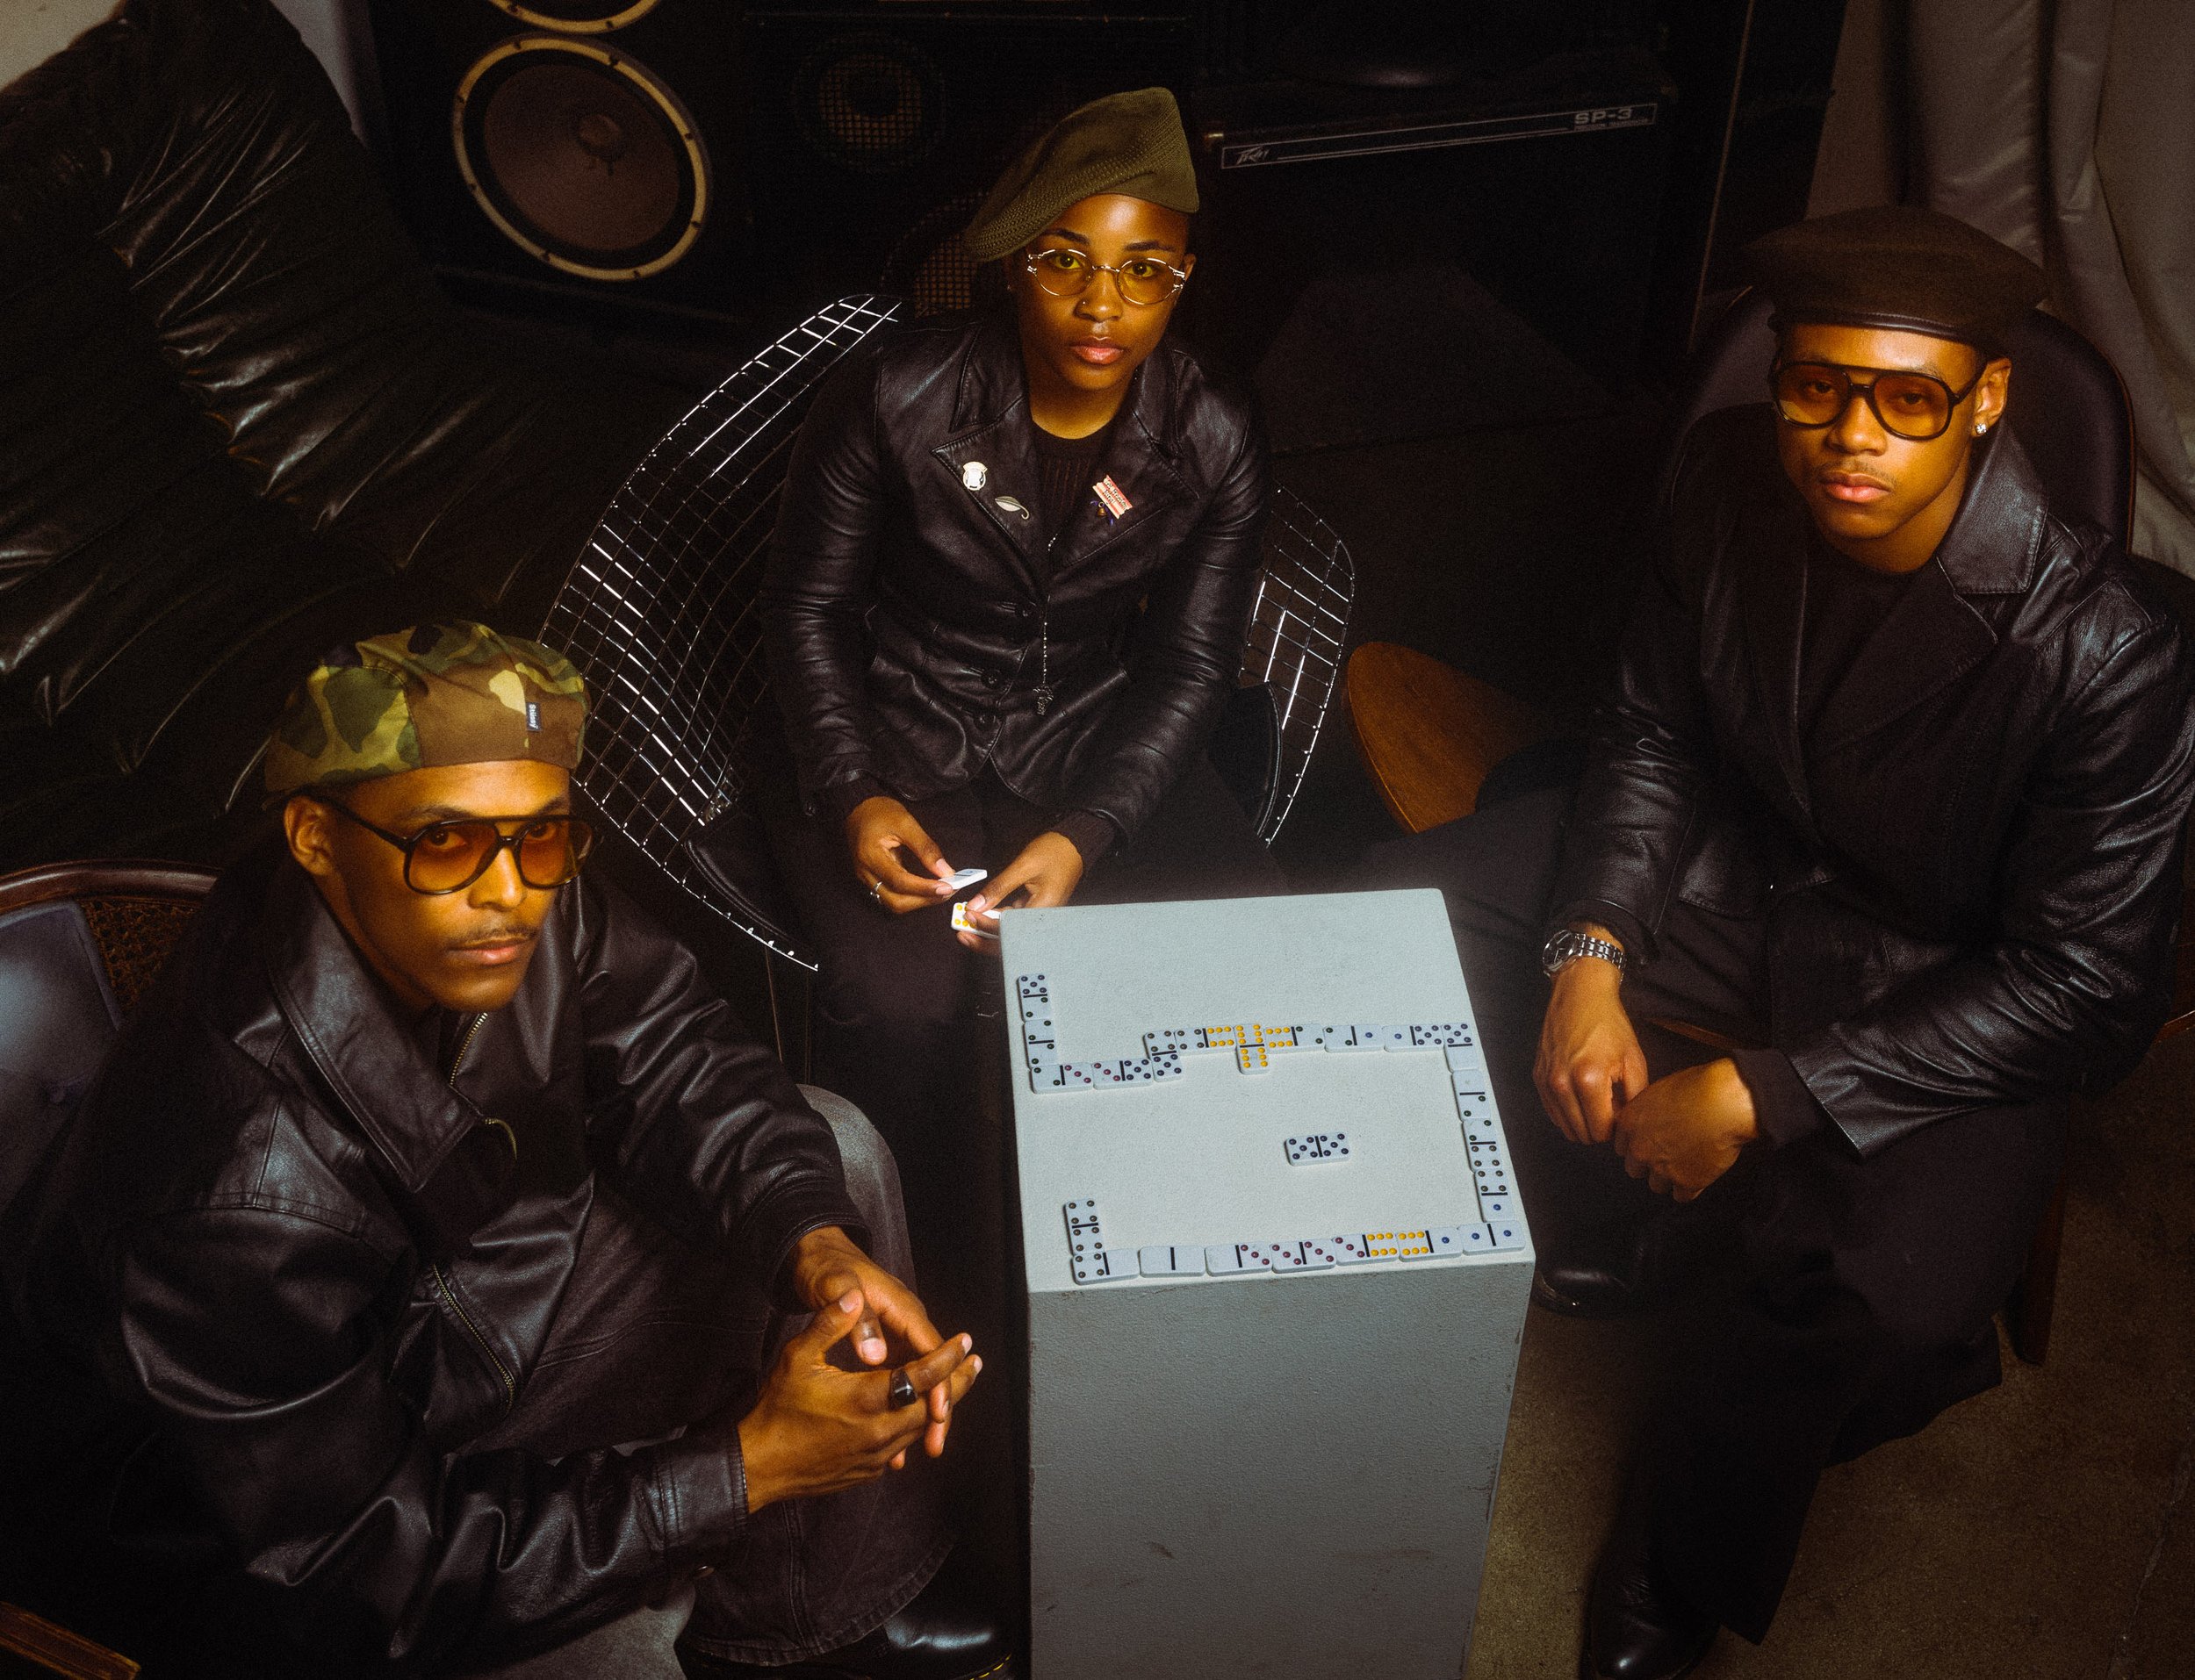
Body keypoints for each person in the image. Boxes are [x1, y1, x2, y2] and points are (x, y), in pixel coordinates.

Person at [1364, 206, 2195, 1678]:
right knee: (1382, 929)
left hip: (1946, 972)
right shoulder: (1718, 479)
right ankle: (1625, 1214)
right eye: (1817, 386)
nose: (1849, 437)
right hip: (1727, 871)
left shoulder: (2111, 650)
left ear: (1986, 400)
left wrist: (1760, 1090)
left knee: (1873, 1304)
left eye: (1909, 398)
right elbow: (1649, 729)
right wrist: (1592, 947)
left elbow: (2088, 985)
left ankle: (1674, 1566)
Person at [0, 624, 1011, 1680]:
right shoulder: (235, 1192)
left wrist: (813, 1241)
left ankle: (811, 1622)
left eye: (543, 836)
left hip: (457, 1299)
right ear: (312, 837)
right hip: (261, 1549)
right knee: (607, 1661)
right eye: (443, 840)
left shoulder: (496, 893)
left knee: (829, 1160)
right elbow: (356, 1567)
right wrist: (742, 1470)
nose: (508, 895)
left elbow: (675, 1052)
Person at [757, 88, 1282, 1289]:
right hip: (894, 726)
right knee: (903, 1004)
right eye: (1066, 261)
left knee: (1244, 935)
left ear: (1183, 277)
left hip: (1087, 735)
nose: (1104, 304)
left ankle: (1146, 1242)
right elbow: (808, 611)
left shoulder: (1215, 426)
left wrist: (1090, 832)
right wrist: (848, 792)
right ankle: (917, 1267)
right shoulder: (893, 392)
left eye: (1144, 269)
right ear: (1010, 267)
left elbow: (1191, 663)